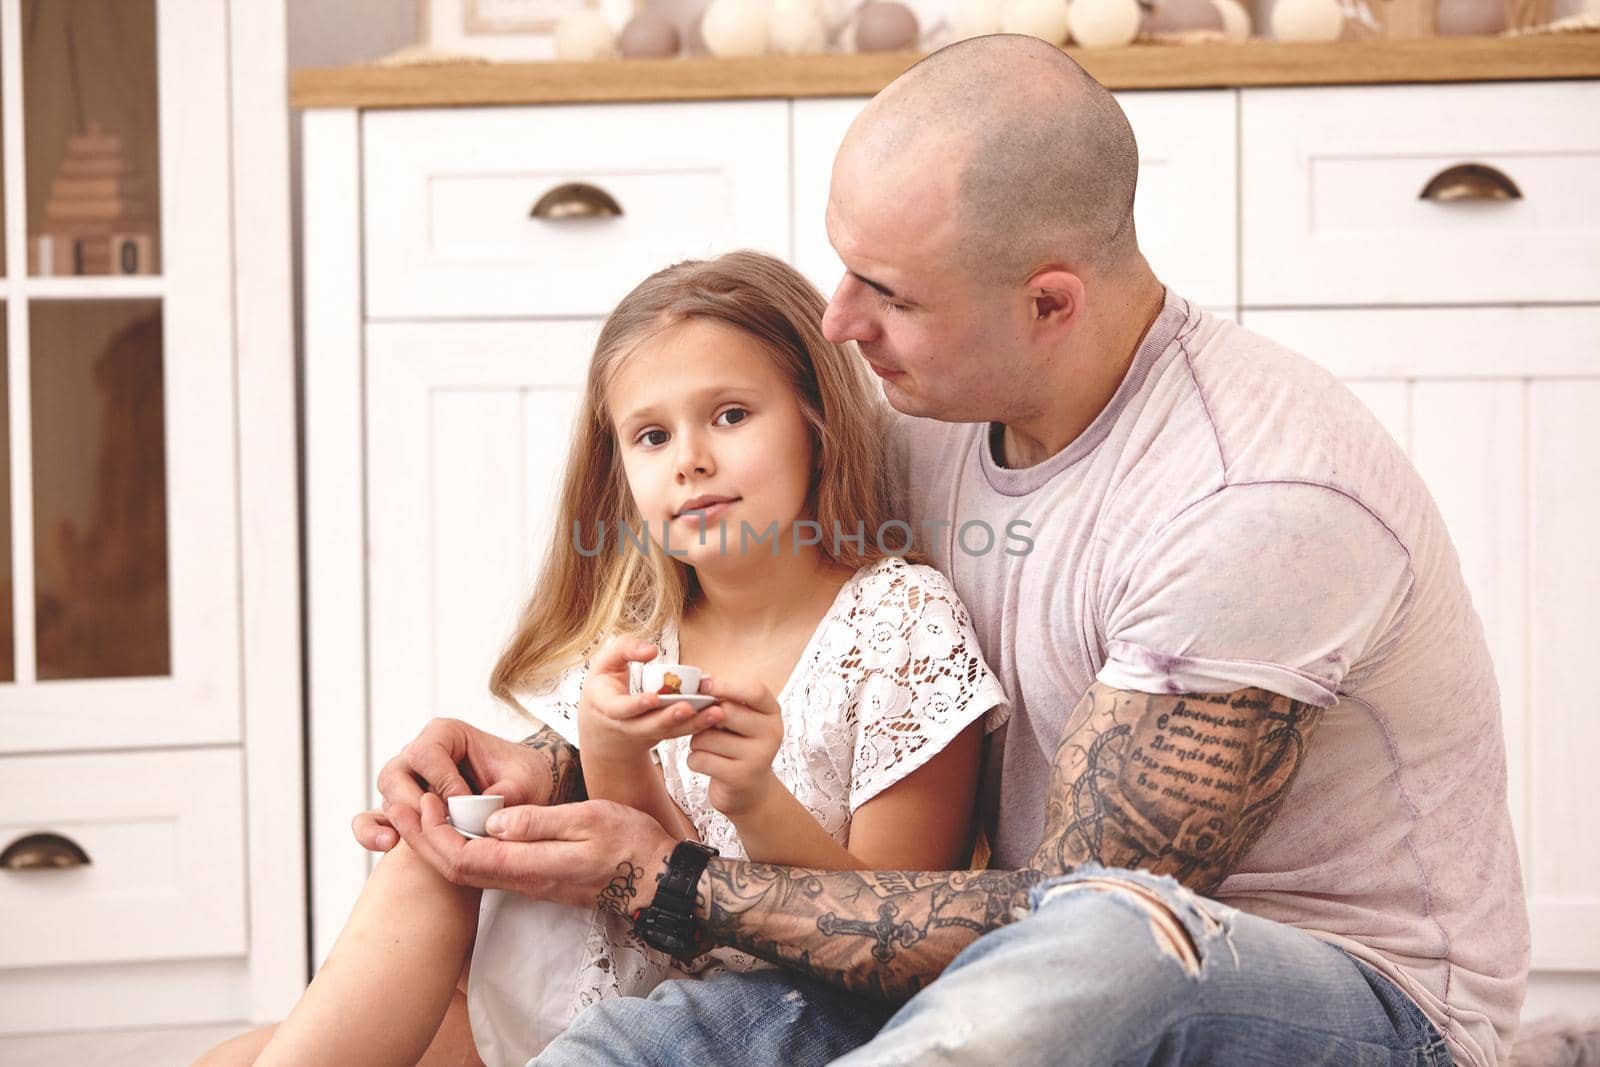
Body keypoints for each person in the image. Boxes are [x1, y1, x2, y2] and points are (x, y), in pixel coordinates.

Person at [360, 35, 1530, 1067]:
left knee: (1102, 941)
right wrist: (549, 757)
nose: (838, 323)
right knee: (670, 1037)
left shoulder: (1252, 498)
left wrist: (658, 877)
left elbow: (1060, 920)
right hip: (983, 945)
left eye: (889, 291)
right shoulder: (924, 412)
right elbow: (758, 623)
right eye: (842, 263)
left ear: (1051, 302)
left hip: (1356, 1007)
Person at [194, 251, 1007, 1066]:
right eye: (652, 434)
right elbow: (636, 874)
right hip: (561, 987)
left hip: (721, 1018)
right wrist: (608, 751)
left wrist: (758, 800)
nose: (690, 458)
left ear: (815, 419)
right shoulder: (645, 628)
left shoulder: (903, 624)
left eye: (729, 415)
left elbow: (889, 945)